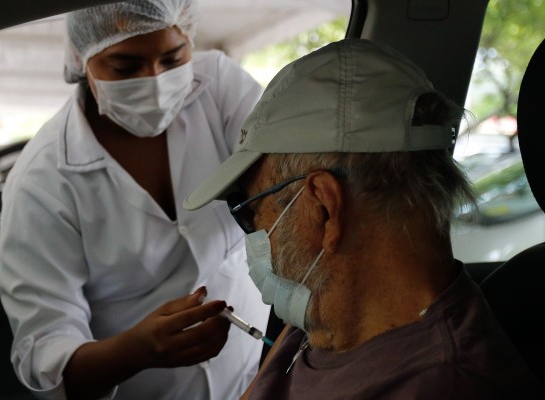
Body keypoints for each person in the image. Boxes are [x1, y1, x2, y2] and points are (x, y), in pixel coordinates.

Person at [183, 38, 545, 399]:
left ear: (323, 209)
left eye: (249, 211)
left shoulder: (444, 385)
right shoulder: (322, 316)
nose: (253, 234)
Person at [0, 1, 269, 399]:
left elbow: (284, 181)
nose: (155, 81)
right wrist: (135, 351)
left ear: (189, 35)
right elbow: (45, 358)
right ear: (82, 59)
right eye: (125, 68)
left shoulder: (219, 87)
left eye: (173, 58)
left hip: (251, 382)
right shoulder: (42, 182)